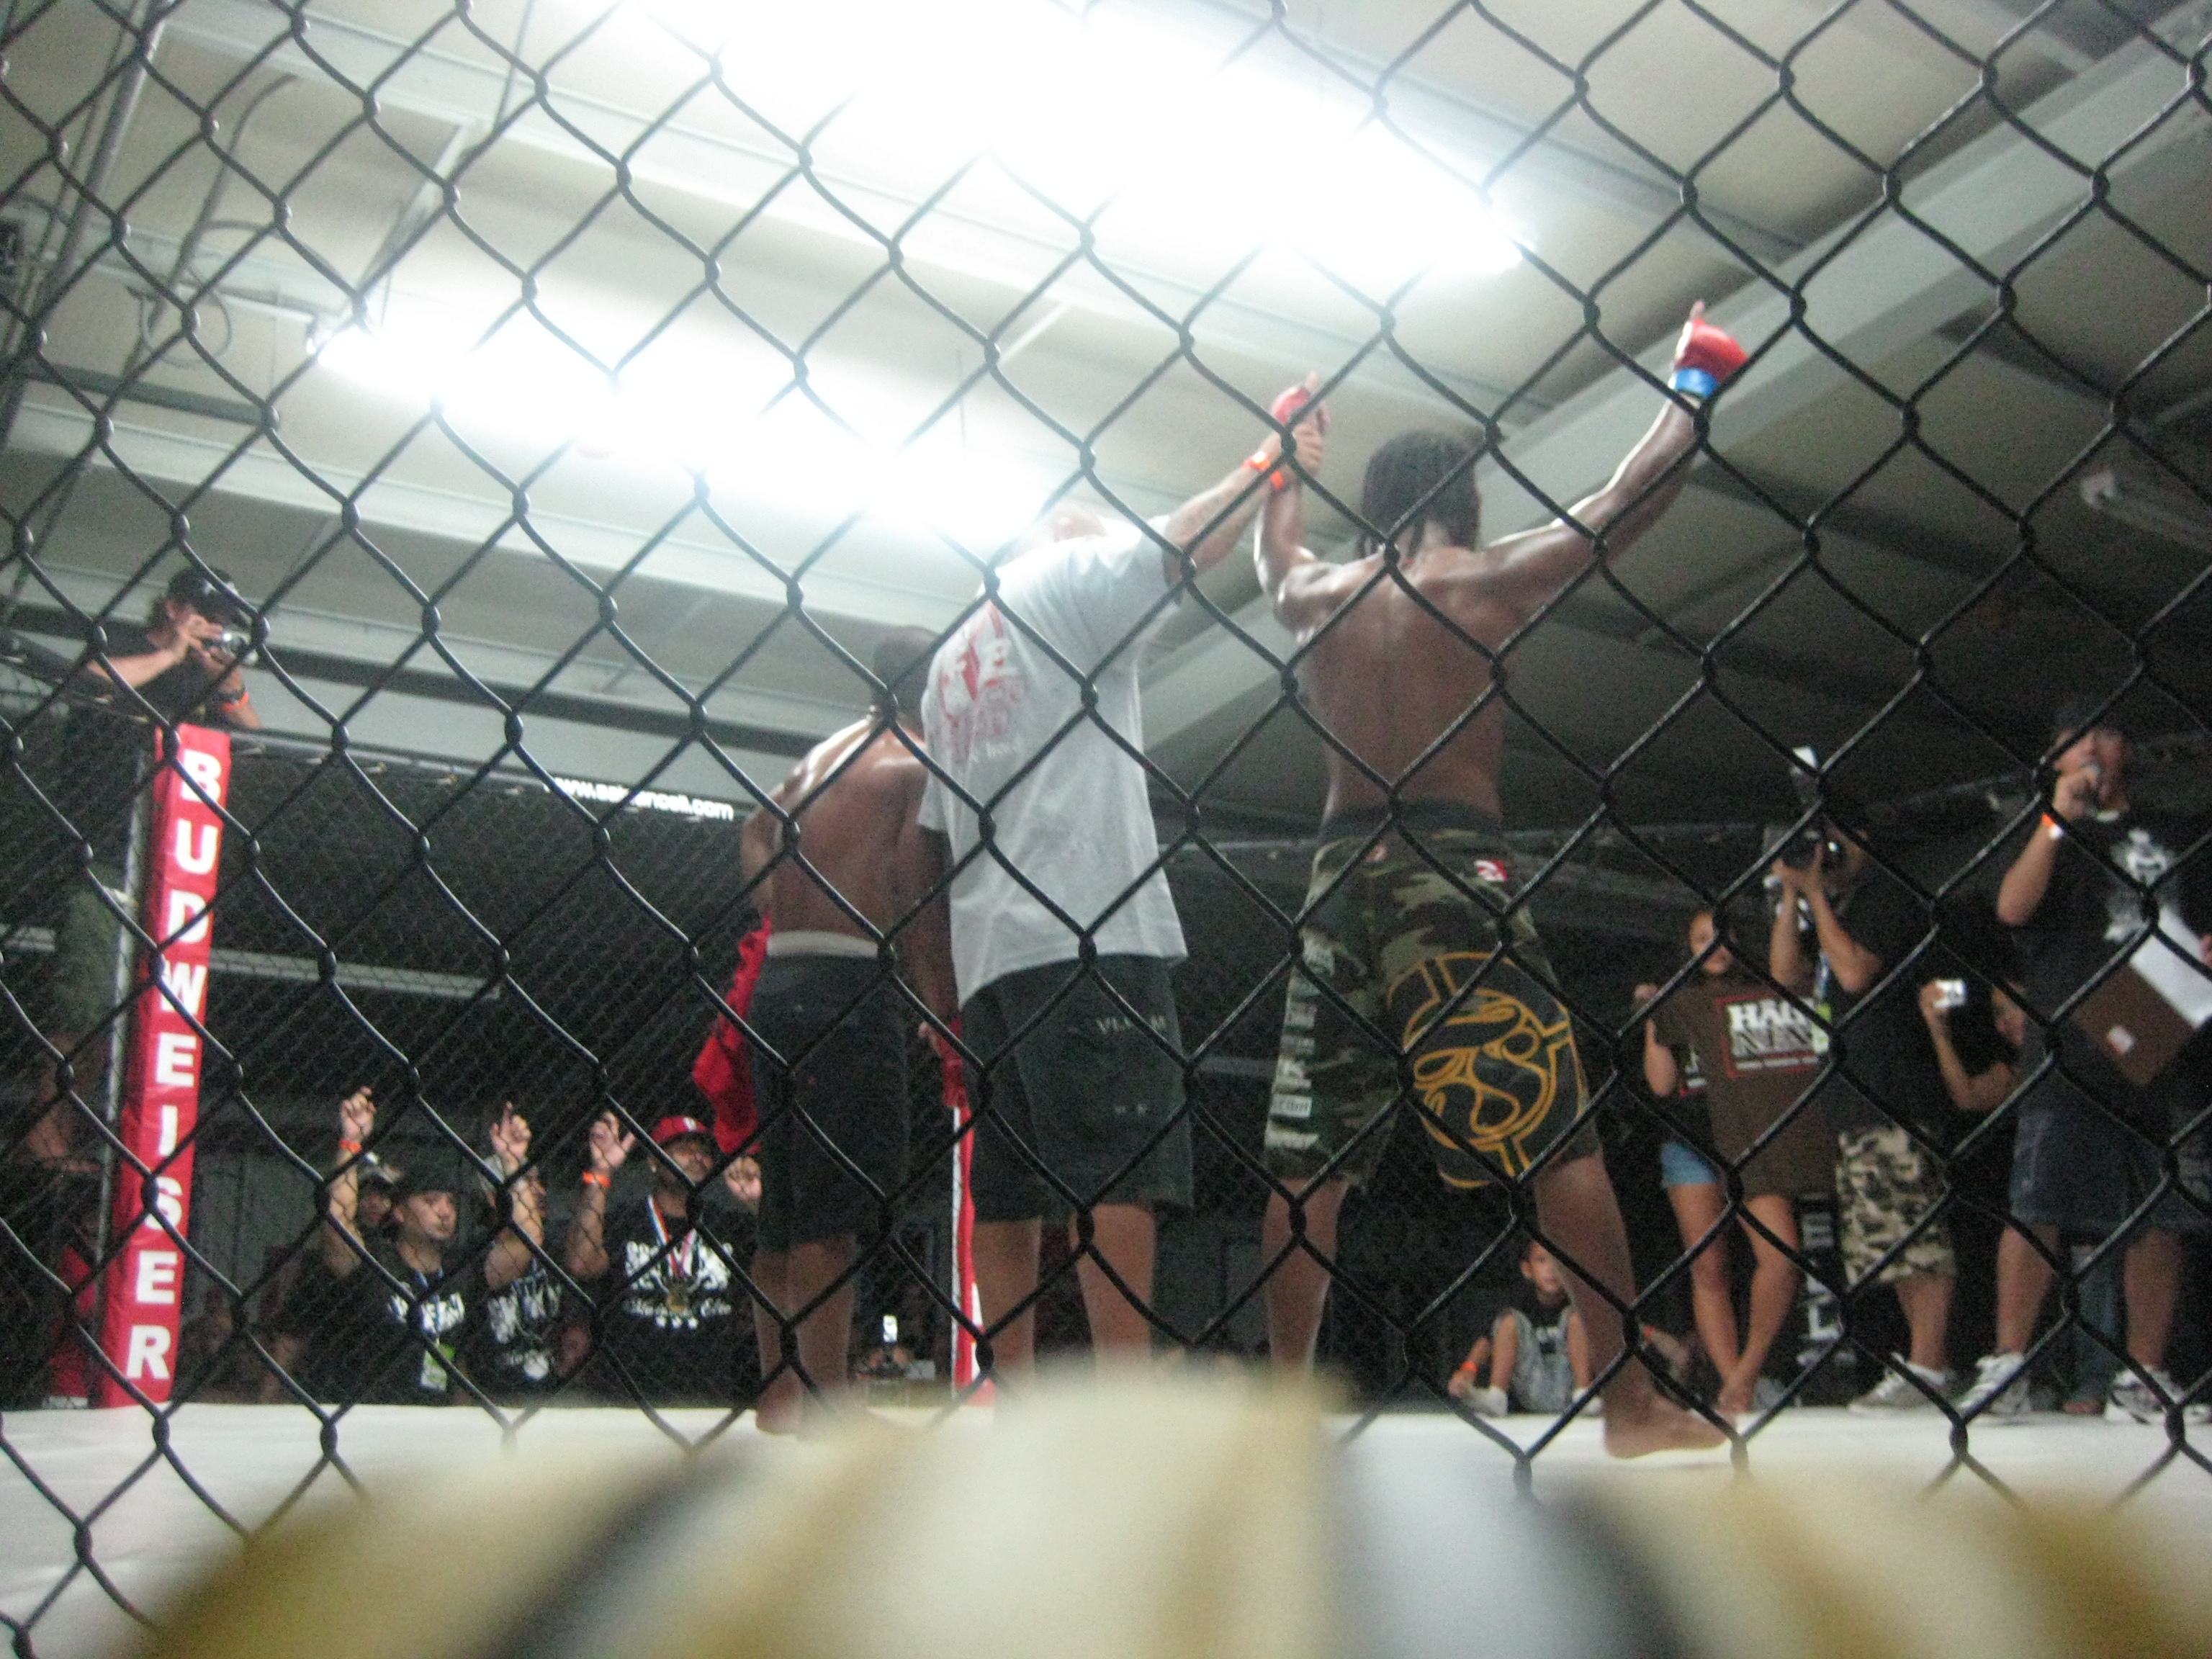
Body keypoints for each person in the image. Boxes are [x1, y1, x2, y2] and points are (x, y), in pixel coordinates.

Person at [1253, 304, 1747, 1456]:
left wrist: (1285, 463)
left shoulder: (1318, 596)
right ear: (1464, 501)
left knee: (1307, 1160)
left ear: (1377, 504)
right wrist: (1693, 383)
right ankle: (1628, 1406)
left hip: (1338, 875)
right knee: (1555, 1138)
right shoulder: (1484, 580)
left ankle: (1282, 1418)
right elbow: (1627, 503)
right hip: (1451, 872)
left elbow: (1274, 560)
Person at [917, 389, 1327, 1380]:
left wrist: (942, 992)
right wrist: (1269, 462)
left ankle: (1011, 1394)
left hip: (993, 955)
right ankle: (1126, 1396)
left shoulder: (952, 655)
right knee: (1120, 1172)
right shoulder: (1068, 579)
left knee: (1011, 1187)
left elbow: (930, 842)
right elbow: (1181, 545)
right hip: (1085, 930)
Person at [1969, 698, 2212, 1422]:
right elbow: (2012, 910)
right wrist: (2057, 819)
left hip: (2161, 1032)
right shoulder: (2044, 827)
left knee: (2159, 1213)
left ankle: (2143, 1373)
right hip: (2071, 1042)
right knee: (2037, 1204)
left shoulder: (2174, 830)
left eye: (2105, 734)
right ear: (2056, 758)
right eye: (2075, 739)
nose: (2092, 750)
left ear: (2126, 748)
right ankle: (2009, 1363)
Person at [737, 629, 953, 1431]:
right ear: (935, 687)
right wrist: (941, 1004)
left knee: (785, 1207)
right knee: (832, 1209)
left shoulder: (821, 756)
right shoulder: (914, 764)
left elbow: (754, 828)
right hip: (849, 986)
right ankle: (827, 1404)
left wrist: (784, 908)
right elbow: (917, 888)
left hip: (779, 983)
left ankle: (782, 1397)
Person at [31, 566, 261, 1161]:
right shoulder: (124, 643)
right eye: (206, 614)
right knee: (85, 1009)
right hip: (104, 852)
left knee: (133, 1023)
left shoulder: (203, 679)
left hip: (169, 863)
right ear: (173, 607)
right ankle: (46, 1142)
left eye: (223, 621)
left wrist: (229, 683)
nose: (214, 627)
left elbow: (256, 738)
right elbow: (86, 681)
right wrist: (170, 655)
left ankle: (86, 1143)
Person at [1768, 832, 1958, 1413]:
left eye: (1833, 841)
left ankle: (1930, 1363)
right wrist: (1794, 895)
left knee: (1915, 1233)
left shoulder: (1886, 896)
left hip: (1896, 1091)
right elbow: (1787, 976)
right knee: (1887, 1241)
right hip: (1853, 1100)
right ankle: (1923, 1364)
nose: (1825, 855)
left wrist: (1817, 897)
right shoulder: (1836, 907)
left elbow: (1854, 974)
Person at [1641, 908, 1833, 1417]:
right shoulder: (1679, 1001)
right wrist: (1654, 1019)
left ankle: (1748, 1373)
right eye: (1701, 938)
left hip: (1752, 1142)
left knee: (1781, 1255)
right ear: (1687, 947)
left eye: (1723, 936)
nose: (1714, 946)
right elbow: (1660, 1084)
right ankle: (1734, 1387)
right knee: (1709, 1266)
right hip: (1691, 1141)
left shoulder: (1766, 995)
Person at [316, 1087, 503, 1405]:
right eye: (431, 1201)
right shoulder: (377, 1263)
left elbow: (522, 1247)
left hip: (437, 1414)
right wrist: (351, 1143)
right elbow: (337, 1222)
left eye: (451, 1203)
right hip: (374, 1411)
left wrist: (512, 1162)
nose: (445, 1212)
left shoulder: (460, 1269)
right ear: (400, 1212)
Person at [565, 1111, 759, 1407]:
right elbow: (582, 1264)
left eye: (703, 1150)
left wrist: (756, 1203)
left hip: (712, 1394)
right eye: (683, 1149)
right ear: (655, 1161)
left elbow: (784, 1276)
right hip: (629, 1394)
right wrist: (601, 1172)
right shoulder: (627, 1220)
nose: (696, 1157)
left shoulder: (728, 1224)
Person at [464, 1106, 561, 1401]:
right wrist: (510, 1160)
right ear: (494, 1198)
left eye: (536, 1182)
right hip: (496, 1396)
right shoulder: (476, 1254)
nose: (540, 1191)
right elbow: (528, 1239)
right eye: (527, 1183)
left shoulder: (553, 1248)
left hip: (551, 1391)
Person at [1447, 1238, 1591, 1416]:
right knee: (1508, 1322)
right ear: (1527, 1269)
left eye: (1558, 1262)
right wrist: (1469, 1369)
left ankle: (1584, 1395)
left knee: (1578, 1319)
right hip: (1531, 1384)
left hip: (1570, 1385)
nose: (1551, 1269)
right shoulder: (1519, 1302)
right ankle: (1497, 1397)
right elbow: (1487, 1340)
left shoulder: (1582, 1302)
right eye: (1542, 1261)